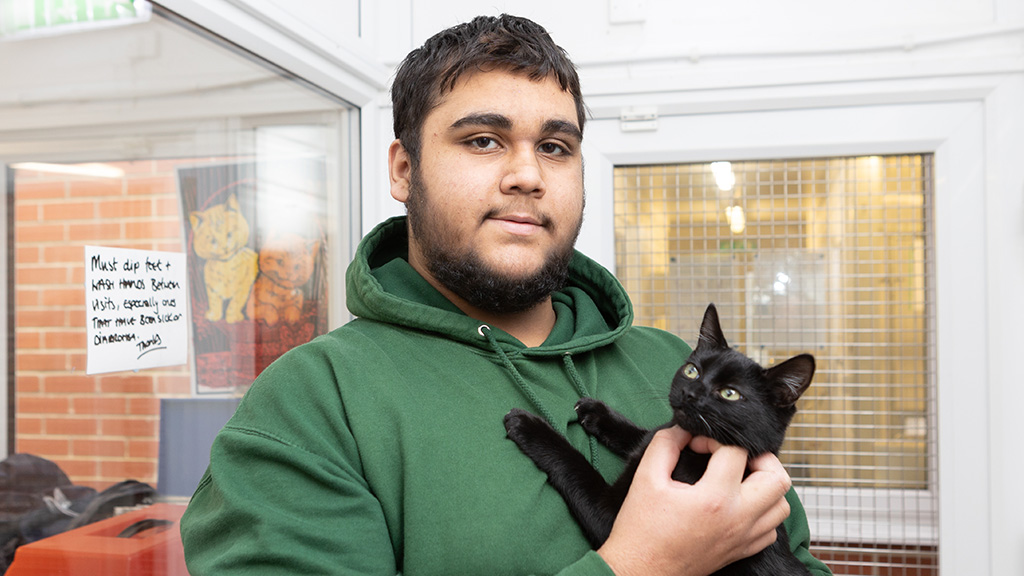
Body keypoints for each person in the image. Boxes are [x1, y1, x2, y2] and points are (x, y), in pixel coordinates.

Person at [180, 14, 832, 576]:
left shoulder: (666, 360)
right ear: (403, 170)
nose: (527, 175)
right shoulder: (314, 404)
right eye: (483, 140)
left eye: (555, 146)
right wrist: (642, 564)